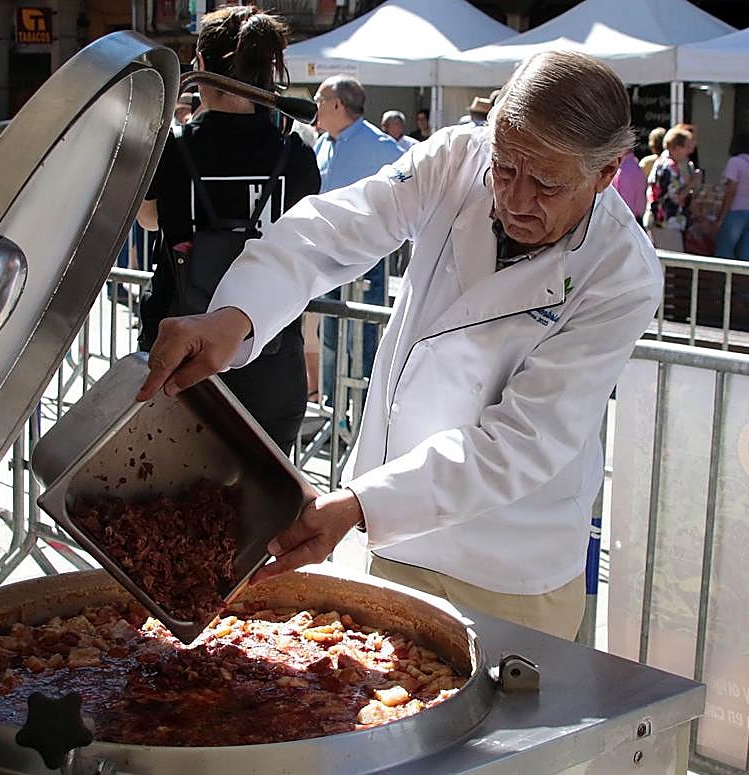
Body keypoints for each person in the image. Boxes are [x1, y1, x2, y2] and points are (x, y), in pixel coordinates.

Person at [137, 50, 662, 640]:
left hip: (509, 565)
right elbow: (334, 227)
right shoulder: (457, 158)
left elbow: (521, 441)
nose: (515, 200)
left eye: (545, 185)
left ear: (607, 173)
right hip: (392, 537)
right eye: (507, 169)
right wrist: (234, 315)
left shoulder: (623, 275)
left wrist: (361, 504)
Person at [134, 5, 320, 453]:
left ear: (200, 66)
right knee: (260, 506)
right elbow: (306, 251)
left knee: (174, 507)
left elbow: (148, 218)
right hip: (273, 359)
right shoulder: (295, 153)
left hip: (177, 356)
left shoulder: (172, 148)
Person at [312, 74, 403, 397]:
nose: (315, 108)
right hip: (326, 257)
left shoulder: (382, 148)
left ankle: (362, 409)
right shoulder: (322, 144)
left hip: (366, 262)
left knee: (364, 336)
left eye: (319, 101)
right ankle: (333, 409)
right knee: (330, 333)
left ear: (337, 104)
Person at [713, 133, 749, 262]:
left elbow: (731, 191)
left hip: (737, 212)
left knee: (724, 252)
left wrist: (721, 216)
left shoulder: (735, 162)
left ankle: (725, 281)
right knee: (746, 254)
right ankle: (745, 281)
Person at [645, 124, 696, 252]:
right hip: (666, 224)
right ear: (676, 147)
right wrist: (693, 182)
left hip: (662, 223)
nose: (690, 151)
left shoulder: (663, 163)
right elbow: (675, 199)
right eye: (686, 147)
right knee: (672, 266)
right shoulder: (669, 167)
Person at [611, 147, 646, 220]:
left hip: (627, 219)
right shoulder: (636, 166)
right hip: (637, 217)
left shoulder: (623, 170)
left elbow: (625, 204)